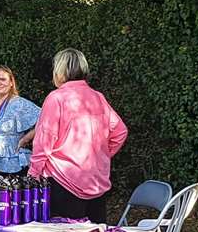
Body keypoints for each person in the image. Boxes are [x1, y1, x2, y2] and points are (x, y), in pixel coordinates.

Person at [29, 48, 129, 223]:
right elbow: (120, 132)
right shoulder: (98, 97)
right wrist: (102, 154)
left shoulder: (56, 98)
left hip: (63, 181)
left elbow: (43, 142)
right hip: (96, 180)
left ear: (59, 70)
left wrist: (33, 175)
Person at [0, 65, 42, 174]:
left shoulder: (20, 104)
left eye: (3, 79)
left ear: (11, 82)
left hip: (12, 162)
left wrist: (26, 139)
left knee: (9, 192)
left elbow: (44, 119)